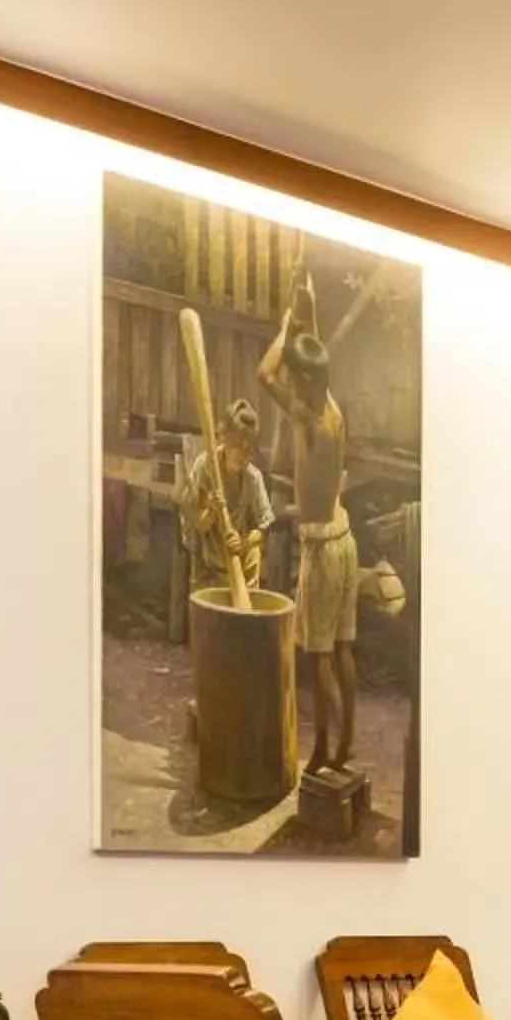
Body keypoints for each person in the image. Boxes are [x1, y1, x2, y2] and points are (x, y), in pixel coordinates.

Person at [259, 273, 403, 774]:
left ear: (302, 382)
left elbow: (265, 373)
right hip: (345, 539)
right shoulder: (332, 405)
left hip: (323, 548)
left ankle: (322, 748)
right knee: (343, 646)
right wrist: (309, 312)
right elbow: (311, 356)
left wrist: (282, 328)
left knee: (318, 654)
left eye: (297, 378)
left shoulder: (307, 419)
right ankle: (347, 743)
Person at [179, 399, 270, 597]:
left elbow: (263, 529)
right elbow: (196, 526)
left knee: (254, 553)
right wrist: (211, 510)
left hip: (239, 561)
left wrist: (244, 542)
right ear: (224, 440)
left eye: (249, 449)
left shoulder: (253, 478)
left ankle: (246, 606)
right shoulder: (205, 467)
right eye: (237, 445)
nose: (243, 454)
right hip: (208, 565)